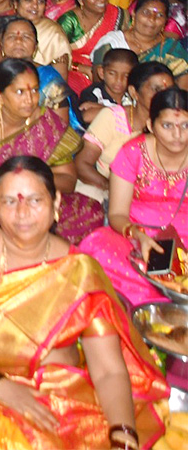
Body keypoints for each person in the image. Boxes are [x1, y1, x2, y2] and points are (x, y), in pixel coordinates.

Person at [0, 155, 166, 450]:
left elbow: (109, 370)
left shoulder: (80, 271)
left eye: (35, 200)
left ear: (57, 203)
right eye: (10, 201)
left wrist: (123, 438)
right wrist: (0, 386)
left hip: (53, 402)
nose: (22, 212)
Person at [0, 59, 98, 243]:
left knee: (90, 211)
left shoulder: (47, 122)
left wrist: (30, 189)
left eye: (34, 90)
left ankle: (10, 233)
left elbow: (68, 179)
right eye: (20, 92)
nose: (30, 100)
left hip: (36, 197)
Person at [80, 88, 188, 307]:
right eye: (167, 126)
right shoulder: (132, 152)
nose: (178, 135)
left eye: (185, 125)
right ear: (150, 125)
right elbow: (118, 213)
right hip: (137, 239)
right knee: (99, 249)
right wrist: (137, 235)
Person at [76, 61, 175, 199]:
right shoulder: (112, 117)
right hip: (108, 192)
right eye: (156, 90)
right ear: (134, 92)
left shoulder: (177, 125)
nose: (165, 96)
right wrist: (118, 190)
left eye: (169, 91)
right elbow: (82, 164)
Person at [0, 16, 72, 124]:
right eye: (11, 36)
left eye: (26, 37)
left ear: (36, 46)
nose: (18, 41)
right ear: (1, 44)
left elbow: (60, 124)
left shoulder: (49, 76)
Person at [95, 0, 188, 86]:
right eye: (146, 12)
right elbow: (97, 82)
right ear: (134, 13)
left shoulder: (172, 48)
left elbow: (183, 86)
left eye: (160, 15)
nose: (152, 19)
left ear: (166, 21)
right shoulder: (112, 42)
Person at [58, 0, 124, 94]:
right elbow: (55, 56)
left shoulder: (116, 14)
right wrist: (80, 68)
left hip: (108, 69)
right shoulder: (69, 21)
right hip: (74, 71)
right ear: (81, 0)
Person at [11, 0, 72, 80]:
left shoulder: (54, 33)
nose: (35, 6)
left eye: (40, 1)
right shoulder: (5, 25)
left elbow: (59, 79)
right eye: (28, 0)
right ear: (16, 3)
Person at [79, 47, 139, 126]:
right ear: (101, 73)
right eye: (112, 73)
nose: (119, 80)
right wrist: (128, 113)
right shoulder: (94, 92)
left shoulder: (134, 95)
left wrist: (102, 108)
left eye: (126, 76)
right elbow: (88, 116)